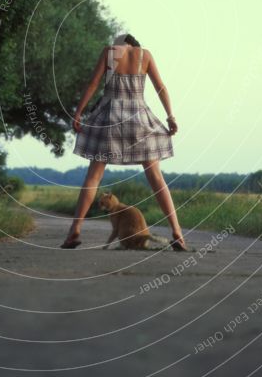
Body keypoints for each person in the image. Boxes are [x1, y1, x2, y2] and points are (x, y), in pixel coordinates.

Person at [61, 33, 187, 250]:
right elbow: (161, 88)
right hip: (139, 117)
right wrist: (170, 117)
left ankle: (75, 231)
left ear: (123, 44)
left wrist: (78, 112)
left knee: (94, 176)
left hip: (109, 116)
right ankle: (177, 232)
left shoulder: (109, 53)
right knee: (156, 176)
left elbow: (93, 84)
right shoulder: (144, 55)